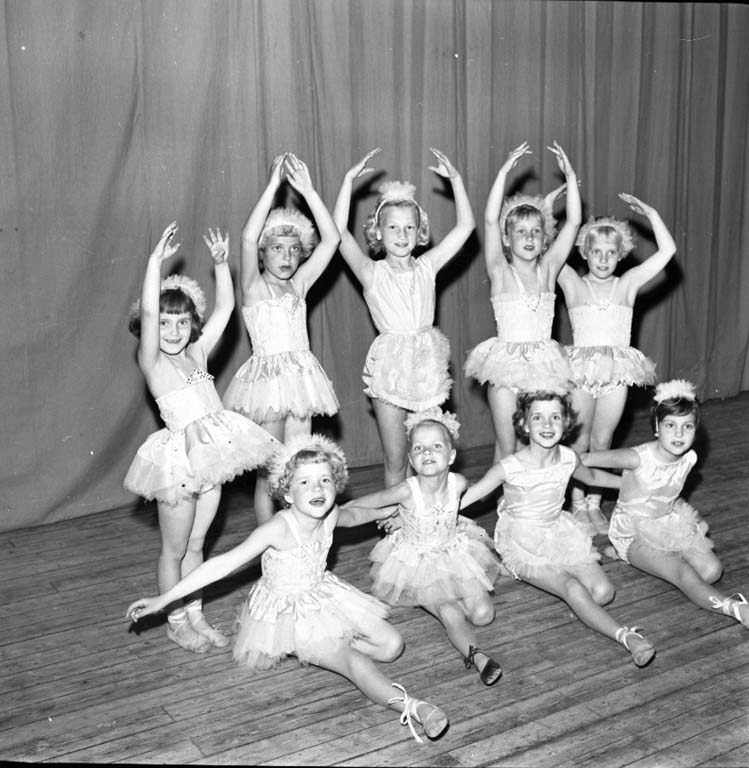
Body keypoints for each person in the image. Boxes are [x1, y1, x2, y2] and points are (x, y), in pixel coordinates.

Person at [126, 435, 449, 744]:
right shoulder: (278, 528)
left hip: (320, 593)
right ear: (289, 494)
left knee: (392, 646)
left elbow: (353, 515)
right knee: (355, 663)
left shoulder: (330, 514)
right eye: (305, 482)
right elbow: (221, 564)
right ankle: (415, 708)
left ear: (335, 485)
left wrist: (397, 512)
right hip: (286, 612)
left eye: (325, 480)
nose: (317, 488)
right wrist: (164, 599)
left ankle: (329, 644)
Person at [124, 223, 277, 653]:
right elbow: (149, 314)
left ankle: (194, 613)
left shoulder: (196, 353)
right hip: (179, 465)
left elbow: (226, 307)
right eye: (164, 323)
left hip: (212, 457)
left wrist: (221, 264)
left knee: (196, 545)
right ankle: (175, 621)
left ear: (193, 324)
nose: (173, 331)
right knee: (173, 549)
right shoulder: (153, 362)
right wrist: (154, 263)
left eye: (181, 322)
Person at [460, 390, 656, 667]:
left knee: (603, 592)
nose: (547, 425)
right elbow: (469, 496)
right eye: (538, 418)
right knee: (572, 587)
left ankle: (584, 609)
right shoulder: (510, 466)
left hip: (559, 531)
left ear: (566, 422)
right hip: (521, 541)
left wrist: (636, 485)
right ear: (524, 424)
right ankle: (628, 638)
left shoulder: (568, 457)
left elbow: (591, 476)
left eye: (555, 417)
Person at [334, 147, 475, 487]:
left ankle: (428, 513)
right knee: (397, 460)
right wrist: (348, 182)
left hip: (427, 365)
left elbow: (466, 226)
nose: (401, 235)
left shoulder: (428, 266)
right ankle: (397, 518)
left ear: (419, 231)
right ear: (378, 232)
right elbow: (337, 234)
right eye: (393, 227)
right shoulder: (370, 272)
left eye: (409, 227)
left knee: (429, 455)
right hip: (391, 368)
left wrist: (456, 180)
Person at [343, 408, 503, 686]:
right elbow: (364, 503)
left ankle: (453, 602)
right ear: (411, 459)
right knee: (450, 611)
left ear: (451, 456)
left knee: (483, 615)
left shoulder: (458, 483)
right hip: (416, 563)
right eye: (419, 448)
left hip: (453, 553)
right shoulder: (406, 490)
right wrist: (333, 514)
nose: (427, 452)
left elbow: (457, 504)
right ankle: (478, 657)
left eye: (436, 446)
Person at [223, 153, 341, 524]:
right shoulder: (254, 287)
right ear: (263, 253)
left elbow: (332, 239)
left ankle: (300, 536)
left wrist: (308, 192)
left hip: (301, 381)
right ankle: (268, 543)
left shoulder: (299, 284)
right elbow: (247, 237)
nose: (287, 256)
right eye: (277, 248)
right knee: (271, 472)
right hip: (268, 385)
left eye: (293, 249)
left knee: (299, 465)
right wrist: (274, 186)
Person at [582, 380, 749, 628]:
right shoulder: (637, 457)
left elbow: (665, 489)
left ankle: (652, 564)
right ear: (657, 428)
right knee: (683, 572)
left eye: (687, 426)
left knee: (711, 572)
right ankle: (737, 609)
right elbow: (584, 460)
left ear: (695, 430)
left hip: (667, 520)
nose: (679, 434)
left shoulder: (688, 458)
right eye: (670, 425)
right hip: (632, 530)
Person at [558, 195, 676, 536]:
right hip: (580, 373)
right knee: (578, 441)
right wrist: (550, 211)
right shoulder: (573, 282)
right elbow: (546, 251)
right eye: (596, 251)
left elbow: (667, 251)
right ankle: (577, 503)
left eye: (611, 252)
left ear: (621, 254)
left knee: (603, 440)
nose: (603, 259)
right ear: (584, 252)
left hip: (617, 373)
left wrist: (652, 214)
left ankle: (594, 502)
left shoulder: (627, 284)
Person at [465, 141, 579, 462]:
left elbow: (573, 223)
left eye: (535, 232)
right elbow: (490, 220)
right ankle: (504, 494)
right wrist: (503, 172)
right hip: (506, 366)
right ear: (506, 238)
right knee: (507, 446)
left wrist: (571, 177)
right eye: (520, 232)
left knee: (539, 445)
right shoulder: (499, 270)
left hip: (544, 364)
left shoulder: (549, 269)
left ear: (545, 239)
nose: (529, 238)